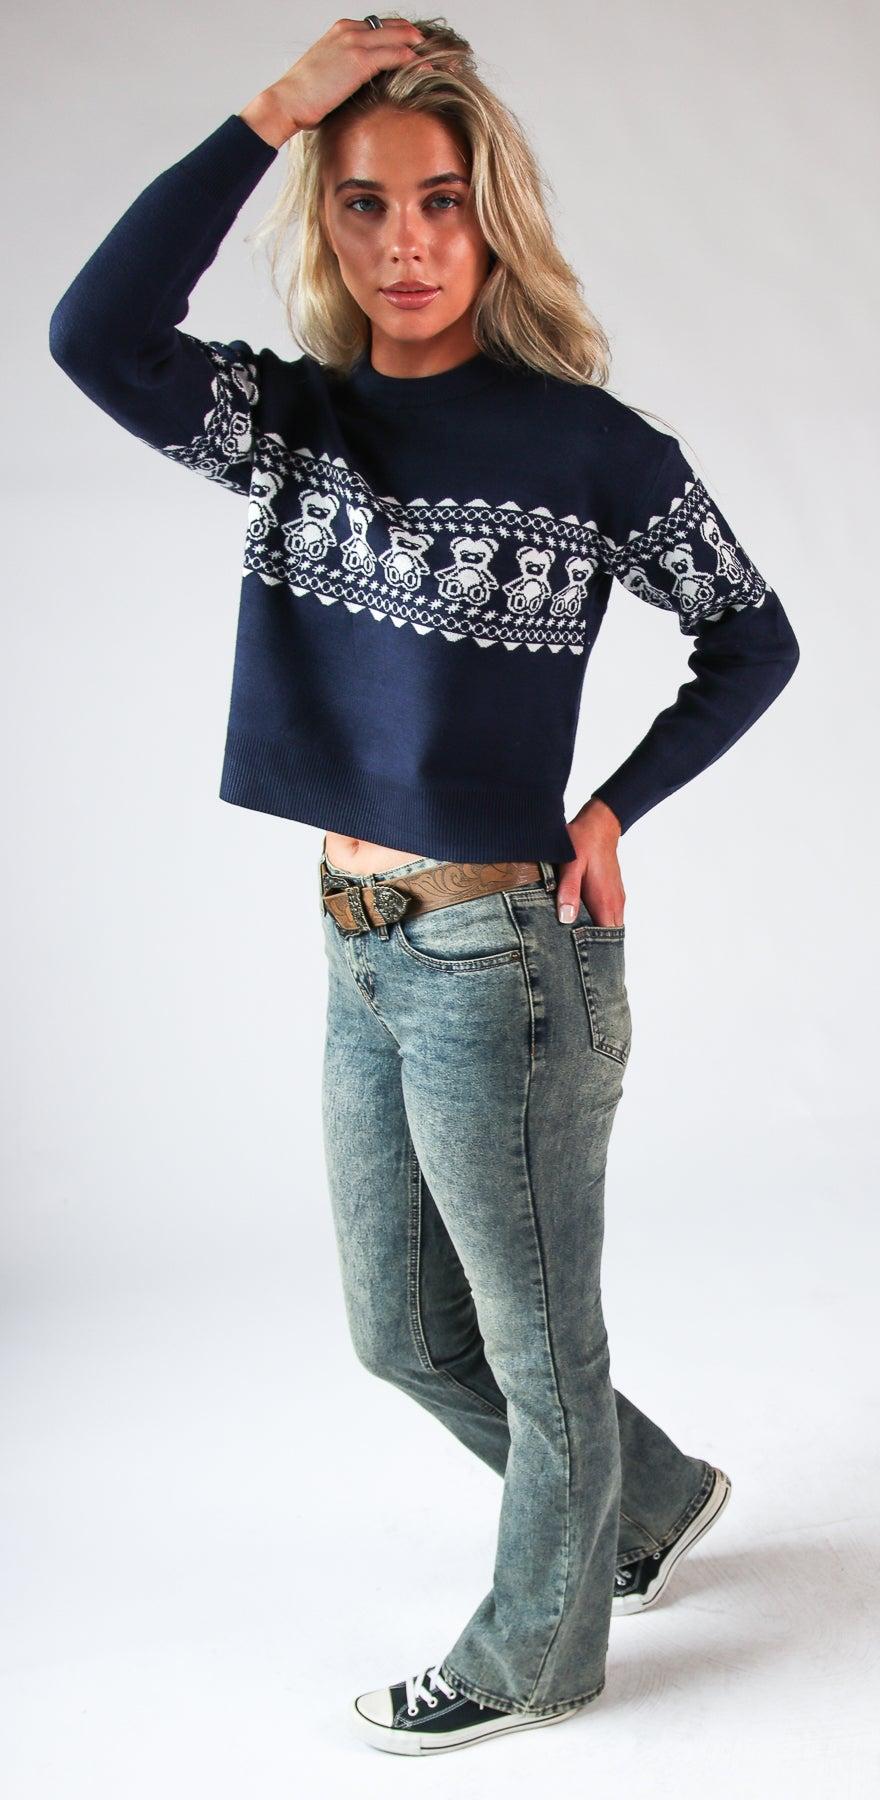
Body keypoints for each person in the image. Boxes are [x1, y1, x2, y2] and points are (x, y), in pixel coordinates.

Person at [49, 13, 799, 1758]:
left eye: (440, 201)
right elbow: (94, 333)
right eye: (366, 202)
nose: (405, 242)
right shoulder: (295, 427)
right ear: (328, 224)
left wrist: (612, 807)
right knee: (399, 1333)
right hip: (360, 947)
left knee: (536, 1343)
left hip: (501, 955)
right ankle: (647, 1499)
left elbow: (751, 638)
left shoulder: (588, 448)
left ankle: (537, 1656)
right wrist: (274, 112)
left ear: (492, 216)